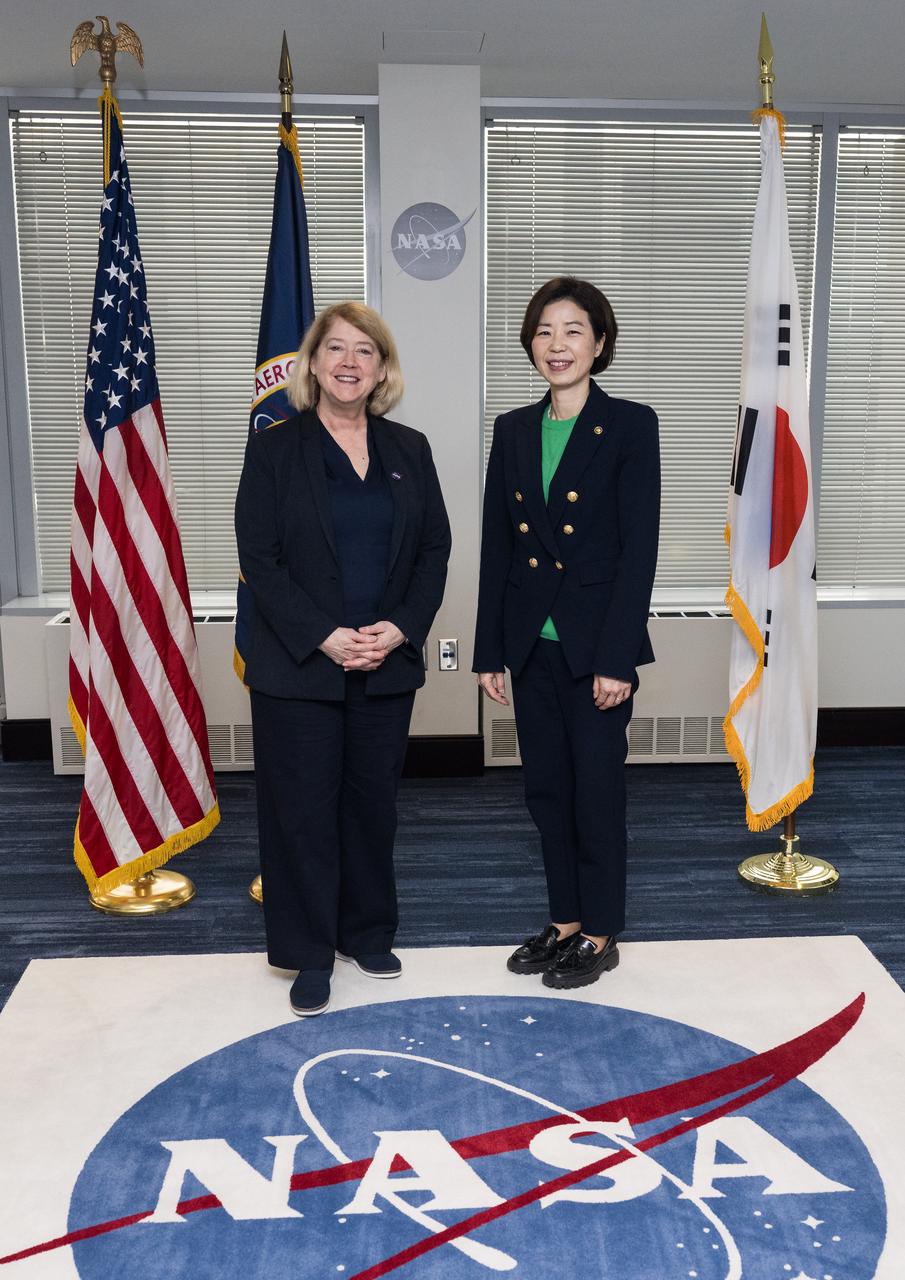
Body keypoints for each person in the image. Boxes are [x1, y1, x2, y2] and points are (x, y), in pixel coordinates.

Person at [235, 301, 451, 1016]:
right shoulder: (273, 450)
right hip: (299, 667)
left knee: (370, 805)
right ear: (311, 363)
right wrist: (325, 634)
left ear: (382, 367)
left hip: (385, 664)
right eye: (335, 348)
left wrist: (399, 628)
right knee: (300, 811)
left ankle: (366, 931)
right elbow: (260, 562)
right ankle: (307, 952)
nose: (349, 362)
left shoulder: (409, 450)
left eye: (365, 350)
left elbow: (432, 551)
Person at [473, 276, 660, 989]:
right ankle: (564, 921)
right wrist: (491, 649)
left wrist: (617, 658)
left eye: (573, 330)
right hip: (529, 645)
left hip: (594, 651)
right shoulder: (515, 428)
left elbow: (637, 549)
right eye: (545, 331)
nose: (557, 344)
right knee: (545, 791)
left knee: (595, 792)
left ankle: (601, 928)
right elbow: (497, 544)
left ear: (599, 343)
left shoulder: (632, 424)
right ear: (530, 345)